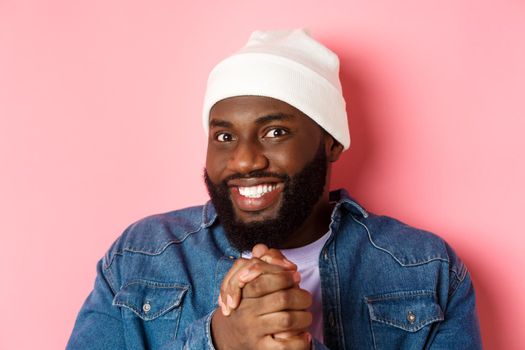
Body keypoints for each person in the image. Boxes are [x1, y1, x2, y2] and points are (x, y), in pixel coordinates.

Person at [67, 29, 482, 349]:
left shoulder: (427, 271)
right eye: (225, 137)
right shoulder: (141, 257)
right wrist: (221, 339)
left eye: (275, 131)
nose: (244, 160)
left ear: (331, 141)